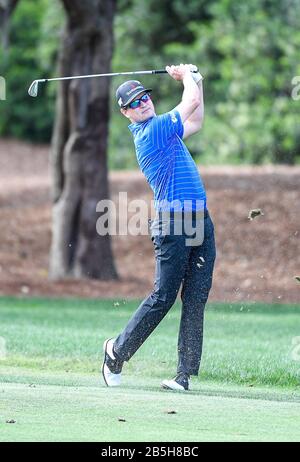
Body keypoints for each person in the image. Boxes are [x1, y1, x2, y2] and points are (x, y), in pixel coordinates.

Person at [102, 64, 216, 391]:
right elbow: (189, 103)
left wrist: (197, 81)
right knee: (164, 296)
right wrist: (187, 78)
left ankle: (183, 376)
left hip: (199, 221)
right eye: (135, 103)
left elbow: (196, 120)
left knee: (195, 297)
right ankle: (116, 350)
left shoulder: (164, 129)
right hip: (172, 224)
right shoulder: (151, 132)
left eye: (145, 98)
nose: (144, 103)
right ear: (126, 113)